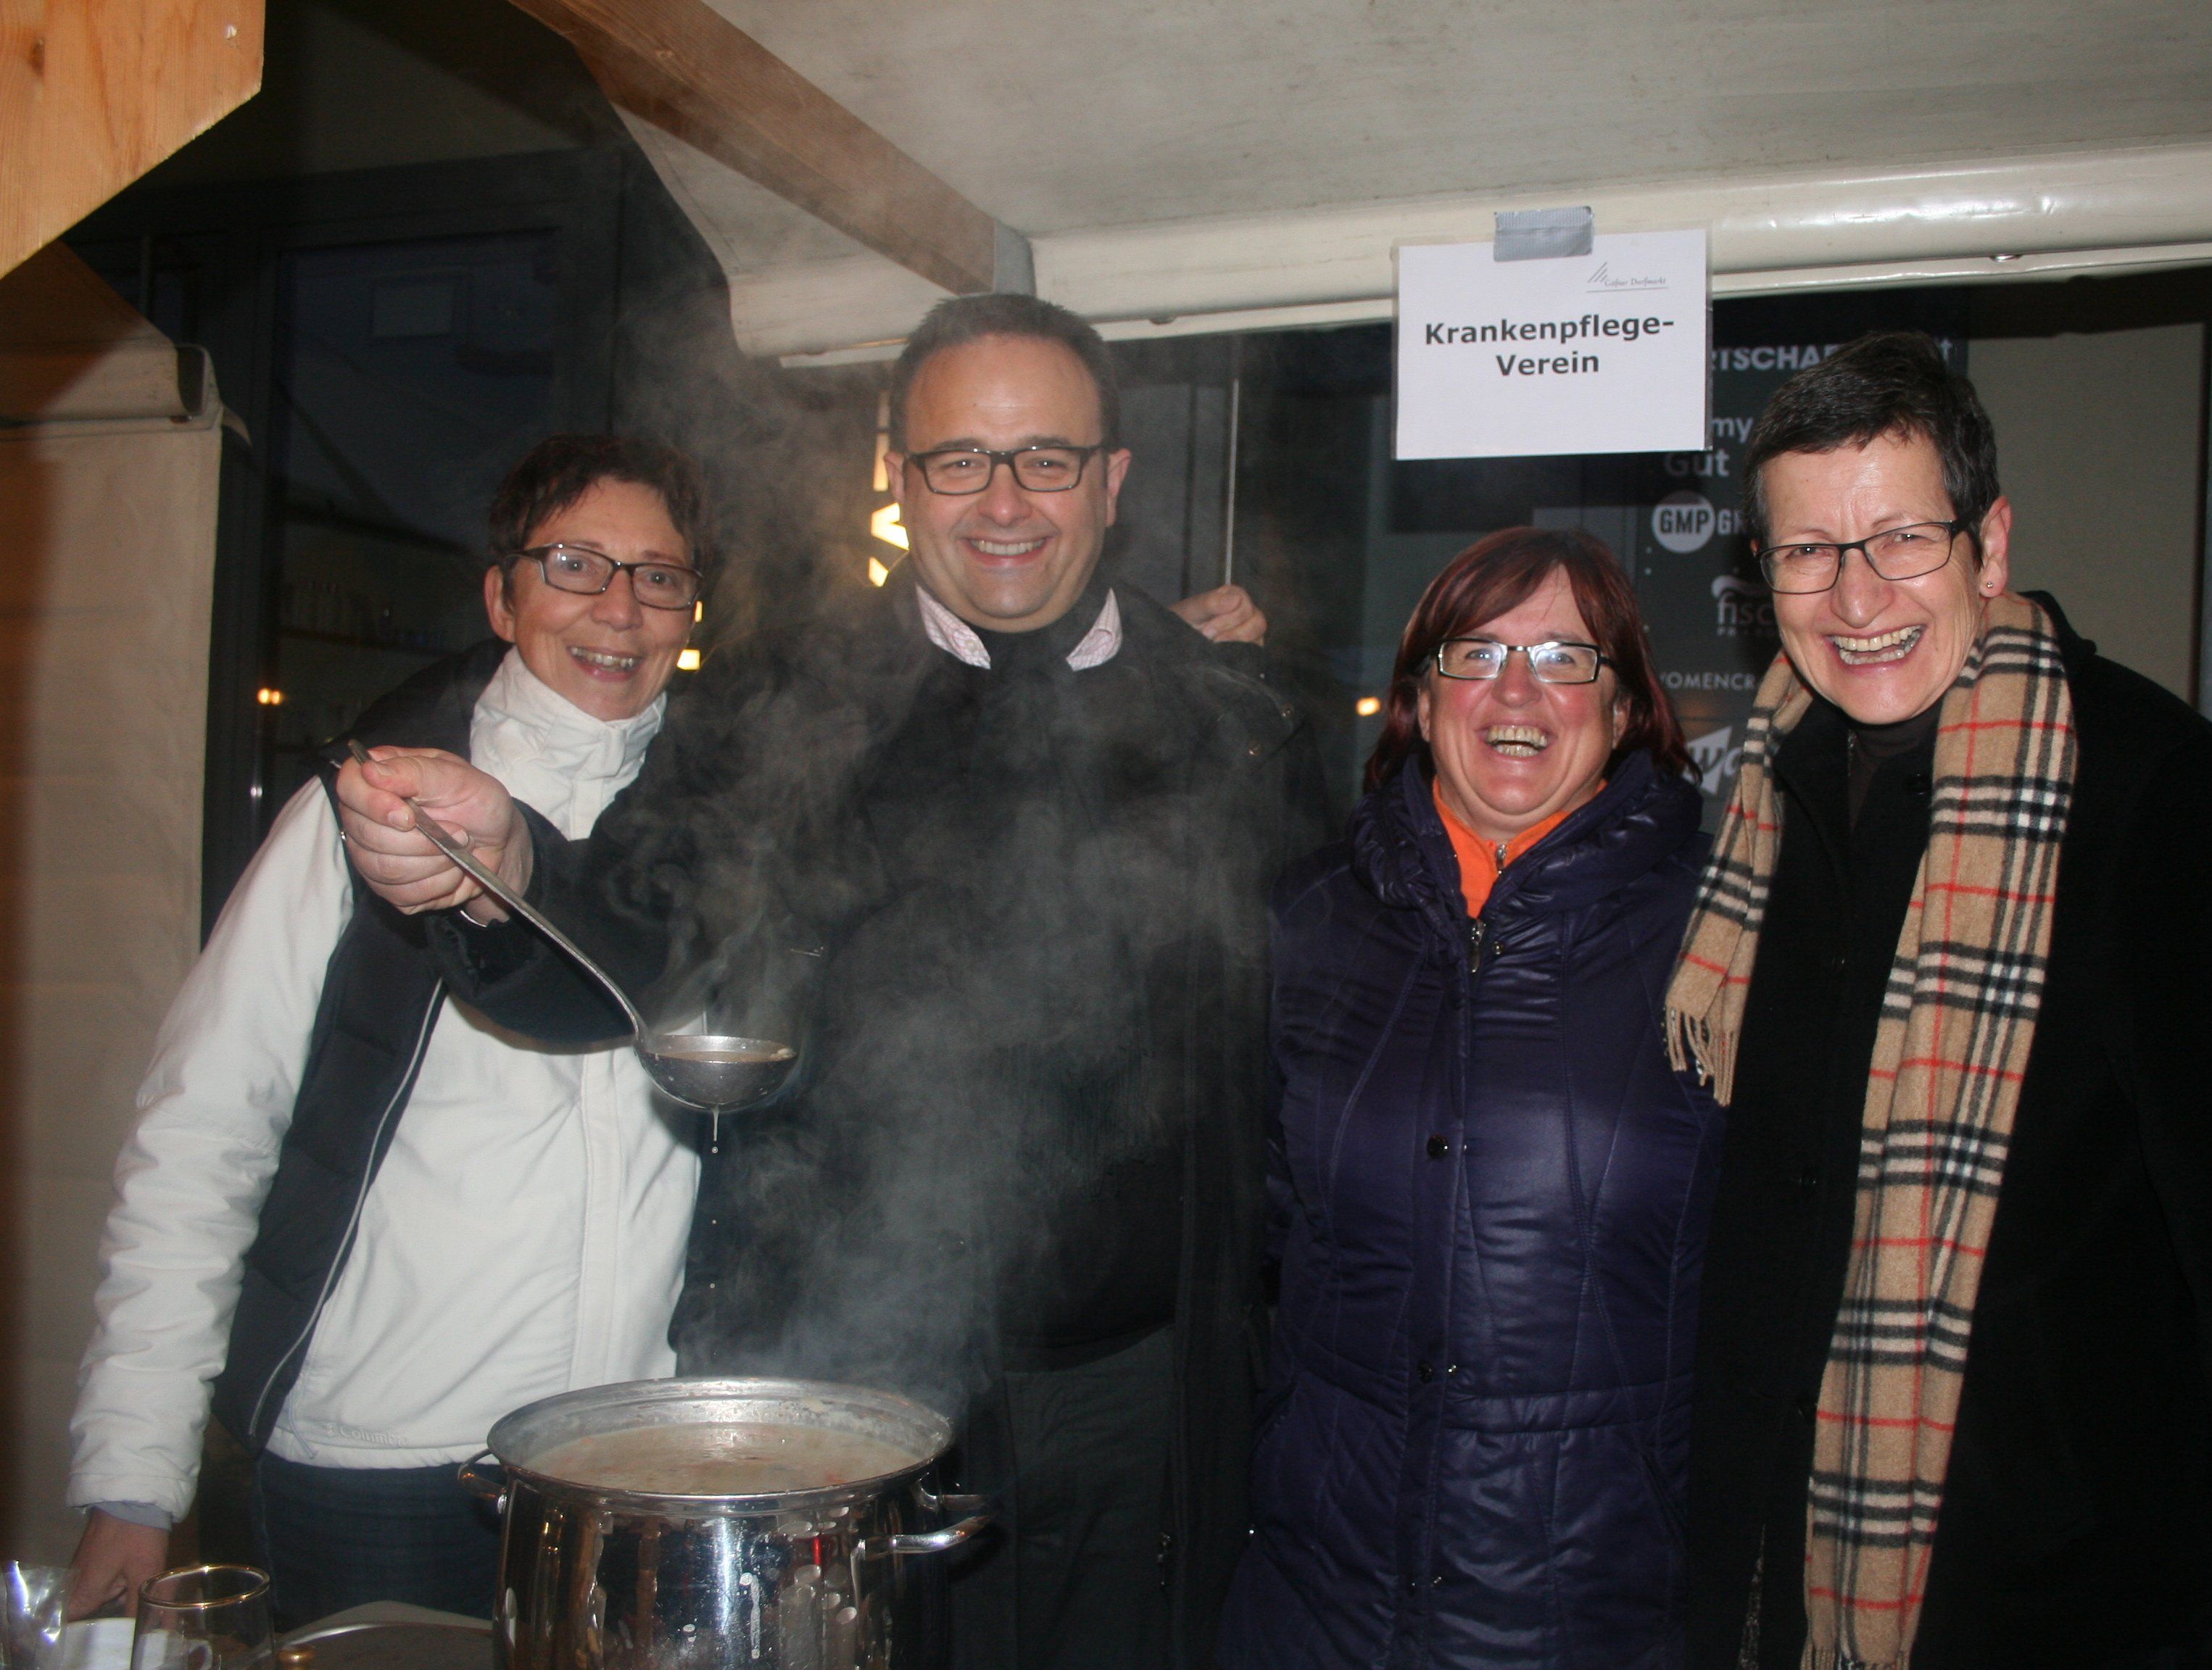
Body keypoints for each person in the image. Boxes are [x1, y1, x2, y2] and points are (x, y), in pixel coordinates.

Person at [331, 293, 1327, 1668]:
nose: (1003, 502)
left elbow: (1330, 1033)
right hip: (850, 1384)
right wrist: (501, 875)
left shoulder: (1238, 721)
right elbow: (615, 953)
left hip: (1148, 1395)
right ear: (899, 479)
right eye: (958, 460)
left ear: (1111, 482)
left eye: (1045, 458)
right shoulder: (775, 708)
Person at [1670, 333, 2212, 1670]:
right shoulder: (1769, 793)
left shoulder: (2153, 790)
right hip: (1781, 1545)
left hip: (2061, 1579)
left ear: (1990, 545)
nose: (1855, 596)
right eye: (1809, 551)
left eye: (1903, 538)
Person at [64, 436, 713, 1627]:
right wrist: (132, 1478)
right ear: (502, 597)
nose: (621, 609)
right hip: (379, 1460)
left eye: (658, 576)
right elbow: (201, 1137)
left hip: (630, 1460)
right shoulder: (368, 818)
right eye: (576, 565)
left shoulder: (722, 837)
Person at [1216, 528, 1722, 1669]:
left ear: (1626, 709)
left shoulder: (1727, 930)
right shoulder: (1305, 917)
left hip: (1595, 1613)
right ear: (1420, 695)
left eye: (1565, 657)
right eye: (1477, 653)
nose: (1516, 692)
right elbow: (1253, 1249)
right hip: (1317, 1600)